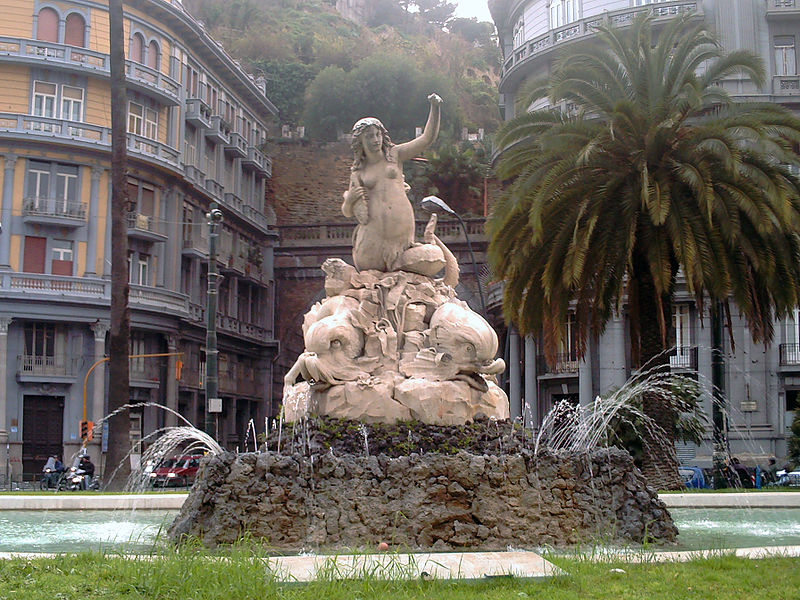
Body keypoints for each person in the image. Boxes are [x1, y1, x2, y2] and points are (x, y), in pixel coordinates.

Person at [341, 93, 457, 284]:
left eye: (378, 134)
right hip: (372, 240)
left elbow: (427, 139)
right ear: (360, 141)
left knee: (432, 257)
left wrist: (435, 108)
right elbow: (347, 212)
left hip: (401, 239)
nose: (375, 139)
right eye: (369, 136)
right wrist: (350, 198)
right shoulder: (358, 171)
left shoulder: (394, 154)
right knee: (371, 275)